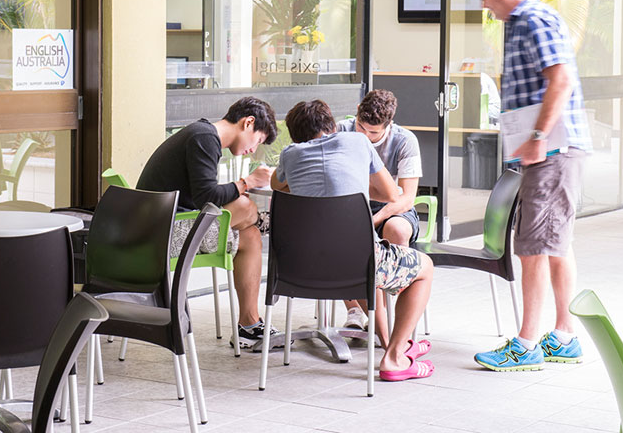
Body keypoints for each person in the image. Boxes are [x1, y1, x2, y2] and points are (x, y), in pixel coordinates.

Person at [470, 0, 591, 371]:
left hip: (554, 149)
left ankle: (526, 344)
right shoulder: (521, 22)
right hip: (551, 149)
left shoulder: (535, 18)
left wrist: (539, 138)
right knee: (556, 243)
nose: (486, 5)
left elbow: (560, 78)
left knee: (534, 246)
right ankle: (563, 335)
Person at [271, 99, 435, 381]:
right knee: (424, 268)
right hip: (358, 263)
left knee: (360, 261)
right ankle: (395, 357)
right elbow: (393, 195)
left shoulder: (289, 155)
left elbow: (276, 184)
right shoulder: (358, 144)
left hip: (298, 269)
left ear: (295, 136)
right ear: (333, 126)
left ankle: (390, 344)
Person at [137, 96, 280, 349]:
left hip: (163, 226)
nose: (254, 149)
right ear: (248, 122)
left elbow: (206, 197)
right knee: (245, 206)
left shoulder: (202, 134)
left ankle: (249, 325)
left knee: (250, 236)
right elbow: (207, 197)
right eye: (258, 140)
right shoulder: (204, 138)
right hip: (164, 234)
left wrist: (239, 189)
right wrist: (248, 182)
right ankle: (264, 223)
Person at [336, 90, 423, 331]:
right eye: (361, 127)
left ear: (389, 124)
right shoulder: (341, 131)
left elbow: (407, 196)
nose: (365, 134)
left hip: (392, 208)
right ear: (356, 112)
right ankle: (355, 309)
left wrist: (376, 219)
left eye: (373, 132)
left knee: (397, 229)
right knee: (338, 230)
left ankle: (389, 317)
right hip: (351, 204)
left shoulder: (405, 141)